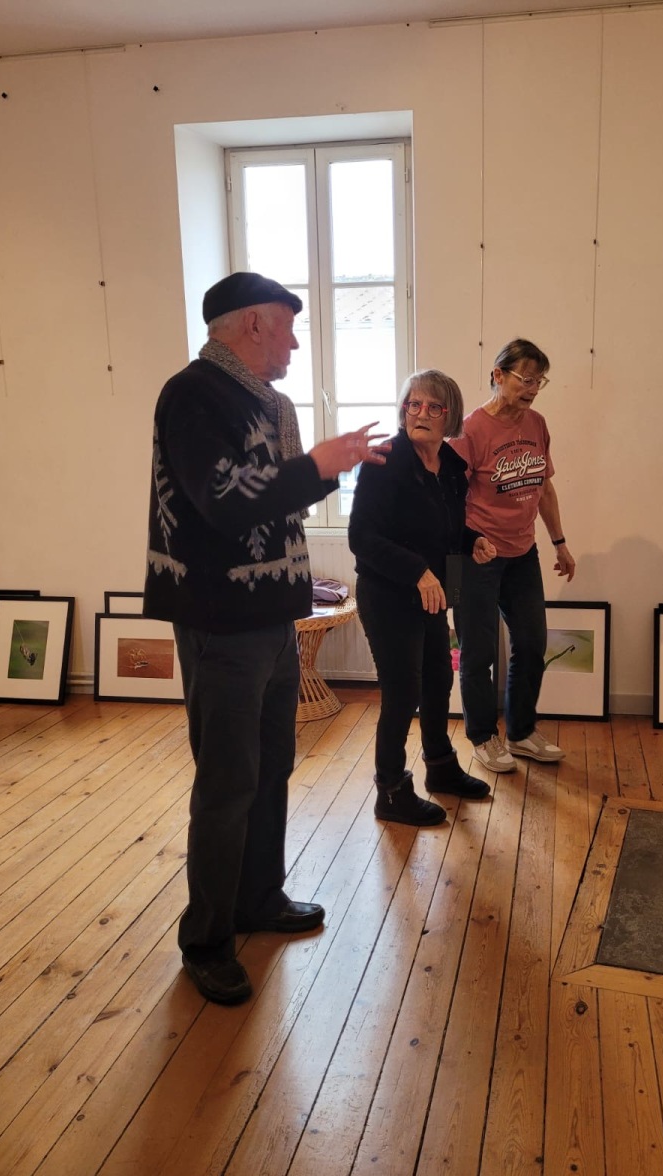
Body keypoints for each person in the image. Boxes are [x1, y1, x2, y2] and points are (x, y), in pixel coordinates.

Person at [143, 271, 387, 1005]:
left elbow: (278, 501)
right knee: (227, 782)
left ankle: (257, 898)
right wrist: (318, 466)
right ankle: (207, 939)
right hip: (220, 619)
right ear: (252, 324)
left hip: (273, 616)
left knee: (272, 765)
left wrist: (322, 470)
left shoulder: (267, 402)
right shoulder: (192, 394)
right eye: (287, 327)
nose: (294, 343)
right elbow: (224, 500)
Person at [348, 370, 497, 826]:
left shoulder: (450, 465)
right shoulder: (383, 461)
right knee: (402, 691)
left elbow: (445, 526)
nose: (421, 414)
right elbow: (362, 537)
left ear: (449, 416)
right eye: (414, 404)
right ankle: (391, 791)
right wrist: (417, 571)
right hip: (388, 593)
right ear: (403, 410)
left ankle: (441, 767)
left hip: (433, 592)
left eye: (434, 407)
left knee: (438, 680)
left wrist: (471, 539)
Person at [450, 338, 576, 773]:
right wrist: (469, 540)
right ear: (498, 375)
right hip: (475, 556)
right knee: (477, 652)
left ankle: (520, 733)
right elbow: (448, 500)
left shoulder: (537, 424)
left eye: (540, 381)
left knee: (531, 643)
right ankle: (482, 738)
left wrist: (560, 542)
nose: (533, 389)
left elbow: (543, 487)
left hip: (523, 552)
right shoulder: (469, 431)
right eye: (526, 379)